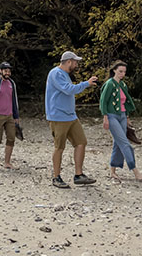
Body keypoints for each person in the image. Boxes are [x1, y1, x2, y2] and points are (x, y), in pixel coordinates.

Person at [45, 50, 99, 188]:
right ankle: (56, 177)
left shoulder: (64, 75)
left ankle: (78, 175)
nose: (76, 64)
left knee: (81, 142)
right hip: (58, 117)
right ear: (68, 61)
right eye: (75, 62)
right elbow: (68, 90)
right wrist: (86, 83)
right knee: (59, 147)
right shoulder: (56, 73)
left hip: (71, 116)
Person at [99, 60, 142, 183]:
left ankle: (112, 171)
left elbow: (125, 102)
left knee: (118, 143)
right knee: (125, 143)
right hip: (112, 116)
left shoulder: (123, 85)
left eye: (124, 72)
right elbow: (103, 101)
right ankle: (135, 171)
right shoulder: (109, 84)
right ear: (114, 71)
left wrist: (127, 117)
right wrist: (105, 117)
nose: (122, 74)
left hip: (122, 116)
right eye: (120, 71)